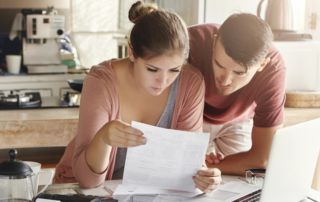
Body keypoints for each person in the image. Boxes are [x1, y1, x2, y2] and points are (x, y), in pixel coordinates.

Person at [53, 1, 221, 193]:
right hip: (82, 191)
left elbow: (186, 166)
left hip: (148, 193)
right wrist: (103, 138)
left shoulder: (191, 82)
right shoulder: (100, 82)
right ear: (131, 52)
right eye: (152, 69)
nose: (163, 81)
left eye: (174, 70)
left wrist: (204, 177)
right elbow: (87, 181)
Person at [188, 13, 286, 175]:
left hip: (238, 121)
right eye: (219, 64)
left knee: (242, 182)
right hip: (191, 117)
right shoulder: (189, 42)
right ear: (214, 44)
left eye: (239, 73)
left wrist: (203, 167)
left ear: (262, 65)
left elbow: (263, 160)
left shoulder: (274, 70)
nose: (225, 81)